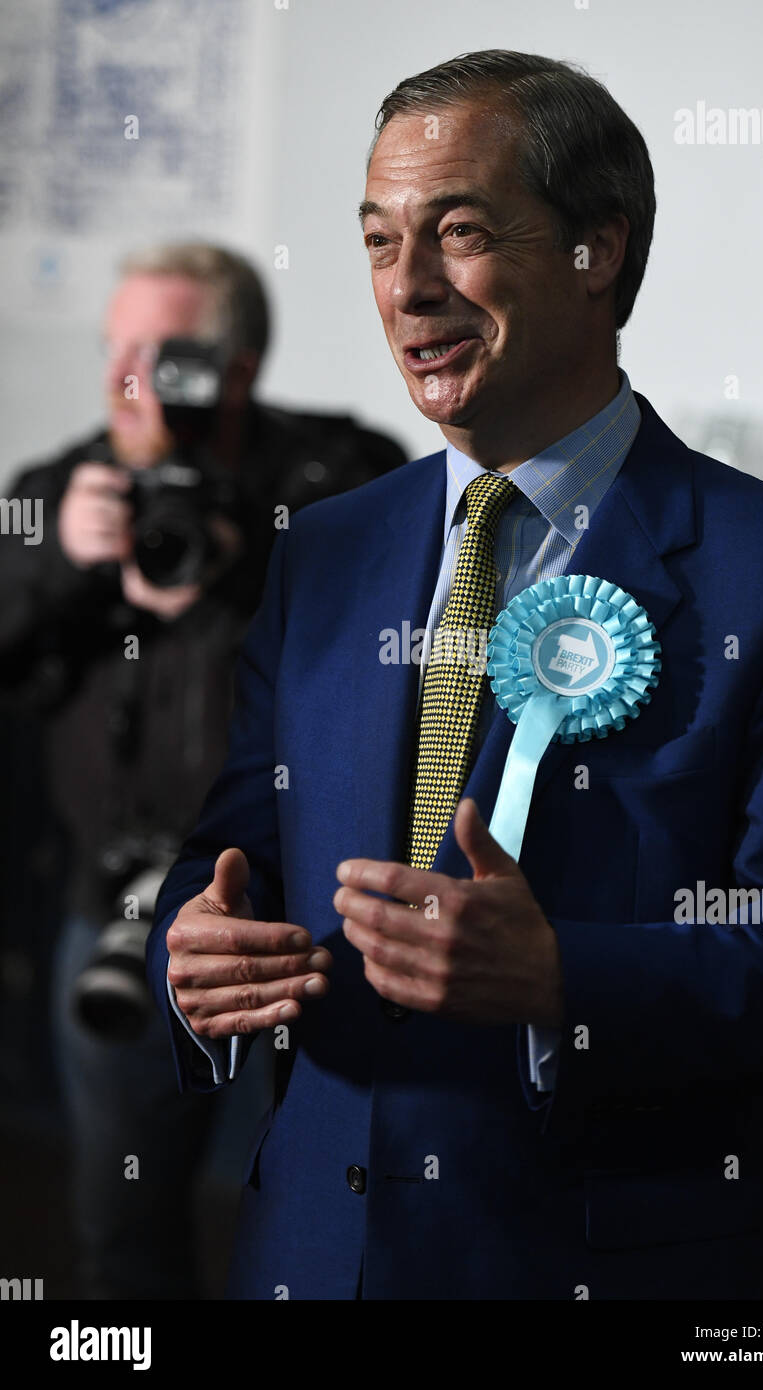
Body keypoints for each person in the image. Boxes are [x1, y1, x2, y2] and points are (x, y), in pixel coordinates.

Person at [147, 52, 763, 1300]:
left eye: (459, 232)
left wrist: (561, 980)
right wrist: (189, 946)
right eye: (378, 241)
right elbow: (235, 847)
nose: (407, 287)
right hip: (309, 1259)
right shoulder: (320, 549)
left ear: (598, 250)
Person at [0, 241, 405, 1298]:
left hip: (310, 917)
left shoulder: (333, 474)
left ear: (235, 368)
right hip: (119, 912)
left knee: (333, 1214)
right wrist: (57, 559)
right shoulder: (59, 491)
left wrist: (248, 558)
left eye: (159, 352)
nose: (123, 376)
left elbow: (397, 619)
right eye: (113, 347)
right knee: (119, 1224)